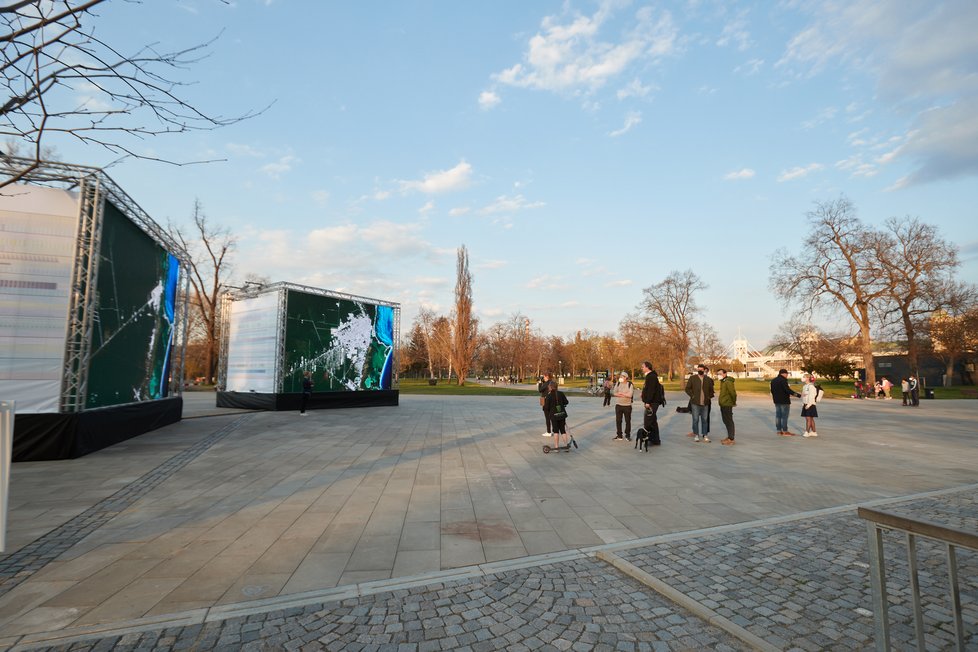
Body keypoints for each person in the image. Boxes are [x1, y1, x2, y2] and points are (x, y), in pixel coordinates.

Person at [685, 364, 714, 443]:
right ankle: (696, 434)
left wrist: (709, 397)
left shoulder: (708, 379)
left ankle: (705, 435)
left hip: (705, 403)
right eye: (699, 369)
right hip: (695, 403)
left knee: (705, 420)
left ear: (704, 370)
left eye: (701, 369)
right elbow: (687, 389)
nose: (700, 371)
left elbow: (711, 390)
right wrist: (692, 396)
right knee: (695, 419)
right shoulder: (692, 378)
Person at [640, 361, 664, 447]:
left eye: (643, 366)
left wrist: (648, 402)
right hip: (652, 402)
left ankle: (649, 438)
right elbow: (648, 389)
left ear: (647, 367)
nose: (641, 368)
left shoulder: (651, 377)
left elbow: (651, 391)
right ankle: (656, 440)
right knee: (653, 421)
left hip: (652, 403)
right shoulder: (650, 376)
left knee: (648, 421)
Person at [770, 368, 801, 436]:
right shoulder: (783, 380)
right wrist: (798, 395)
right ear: (783, 374)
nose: (787, 375)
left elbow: (772, 391)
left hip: (776, 401)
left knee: (778, 416)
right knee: (784, 416)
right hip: (784, 401)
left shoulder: (773, 380)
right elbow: (788, 390)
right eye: (787, 374)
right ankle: (785, 431)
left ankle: (779, 430)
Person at [543, 381, 571, 451]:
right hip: (562, 414)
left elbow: (546, 407)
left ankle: (556, 447)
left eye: (549, 386)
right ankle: (566, 446)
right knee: (563, 430)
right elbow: (566, 402)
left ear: (550, 387)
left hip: (554, 416)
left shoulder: (549, 396)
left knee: (556, 431)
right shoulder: (561, 393)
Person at [717, 368, 737, 445]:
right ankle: (729, 437)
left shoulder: (728, 382)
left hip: (727, 404)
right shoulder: (723, 381)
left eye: (720, 374)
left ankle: (731, 439)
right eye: (718, 374)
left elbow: (733, 393)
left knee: (729, 421)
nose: (719, 375)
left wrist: (733, 402)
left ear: (725, 374)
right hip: (723, 404)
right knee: (725, 420)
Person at [612, 371, 634, 441]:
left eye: (622, 376)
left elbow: (630, 395)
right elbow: (614, 393)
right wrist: (624, 394)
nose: (620, 377)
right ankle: (619, 435)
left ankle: (627, 435)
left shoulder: (630, 384)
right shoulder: (618, 383)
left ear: (626, 378)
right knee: (618, 421)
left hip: (627, 406)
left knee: (627, 421)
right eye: (620, 376)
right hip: (618, 405)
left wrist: (621, 393)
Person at [538, 372, 555, 436]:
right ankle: (554, 430)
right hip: (551, 401)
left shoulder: (546, 383)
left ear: (547, 376)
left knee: (547, 417)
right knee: (552, 416)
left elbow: (540, 390)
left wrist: (540, 383)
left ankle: (548, 432)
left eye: (544, 377)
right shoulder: (552, 382)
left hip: (545, 401)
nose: (543, 378)